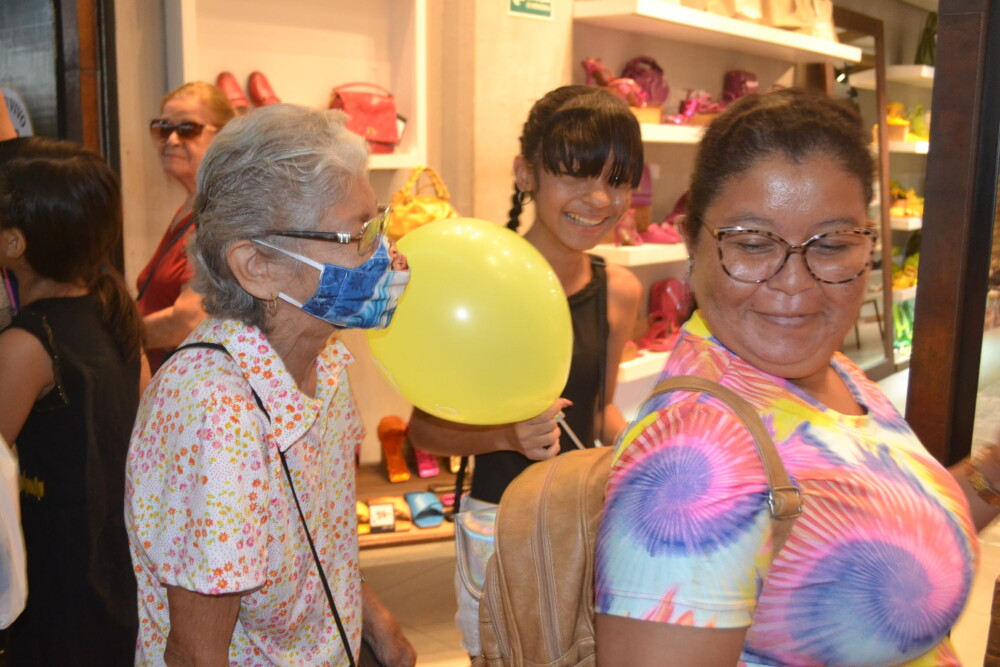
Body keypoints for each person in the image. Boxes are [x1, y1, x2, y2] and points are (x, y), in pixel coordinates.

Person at [594, 87, 1000, 667]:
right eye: (753, 243)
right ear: (691, 243)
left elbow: (888, 526)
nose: (795, 283)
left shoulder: (829, 370)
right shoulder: (693, 464)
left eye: (831, 244)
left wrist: (992, 471)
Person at [126, 104, 417, 666]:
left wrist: (372, 619)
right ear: (257, 266)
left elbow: (315, 544)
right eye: (359, 234)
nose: (385, 253)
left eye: (378, 223)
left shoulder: (324, 363)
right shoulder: (219, 417)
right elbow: (195, 654)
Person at [407, 84, 643, 654]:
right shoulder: (480, 282)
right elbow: (423, 430)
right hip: (500, 525)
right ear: (526, 173)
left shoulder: (620, 292)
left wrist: (644, 447)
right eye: (575, 175)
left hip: (589, 521)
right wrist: (507, 436)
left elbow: (599, 410)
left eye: (617, 180)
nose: (599, 199)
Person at [0, 137, 144, 665]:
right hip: (113, 584)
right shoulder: (115, 317)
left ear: (15, 243)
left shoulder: (27, 344)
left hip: (56, 598)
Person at [140, 81, 235, 372]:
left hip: (190, 384)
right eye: (163, 128)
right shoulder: (192, 208)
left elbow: (189, 322)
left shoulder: (220, 215)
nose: (171, 139)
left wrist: (116, 338)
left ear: (223, 136)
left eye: (187, 129)